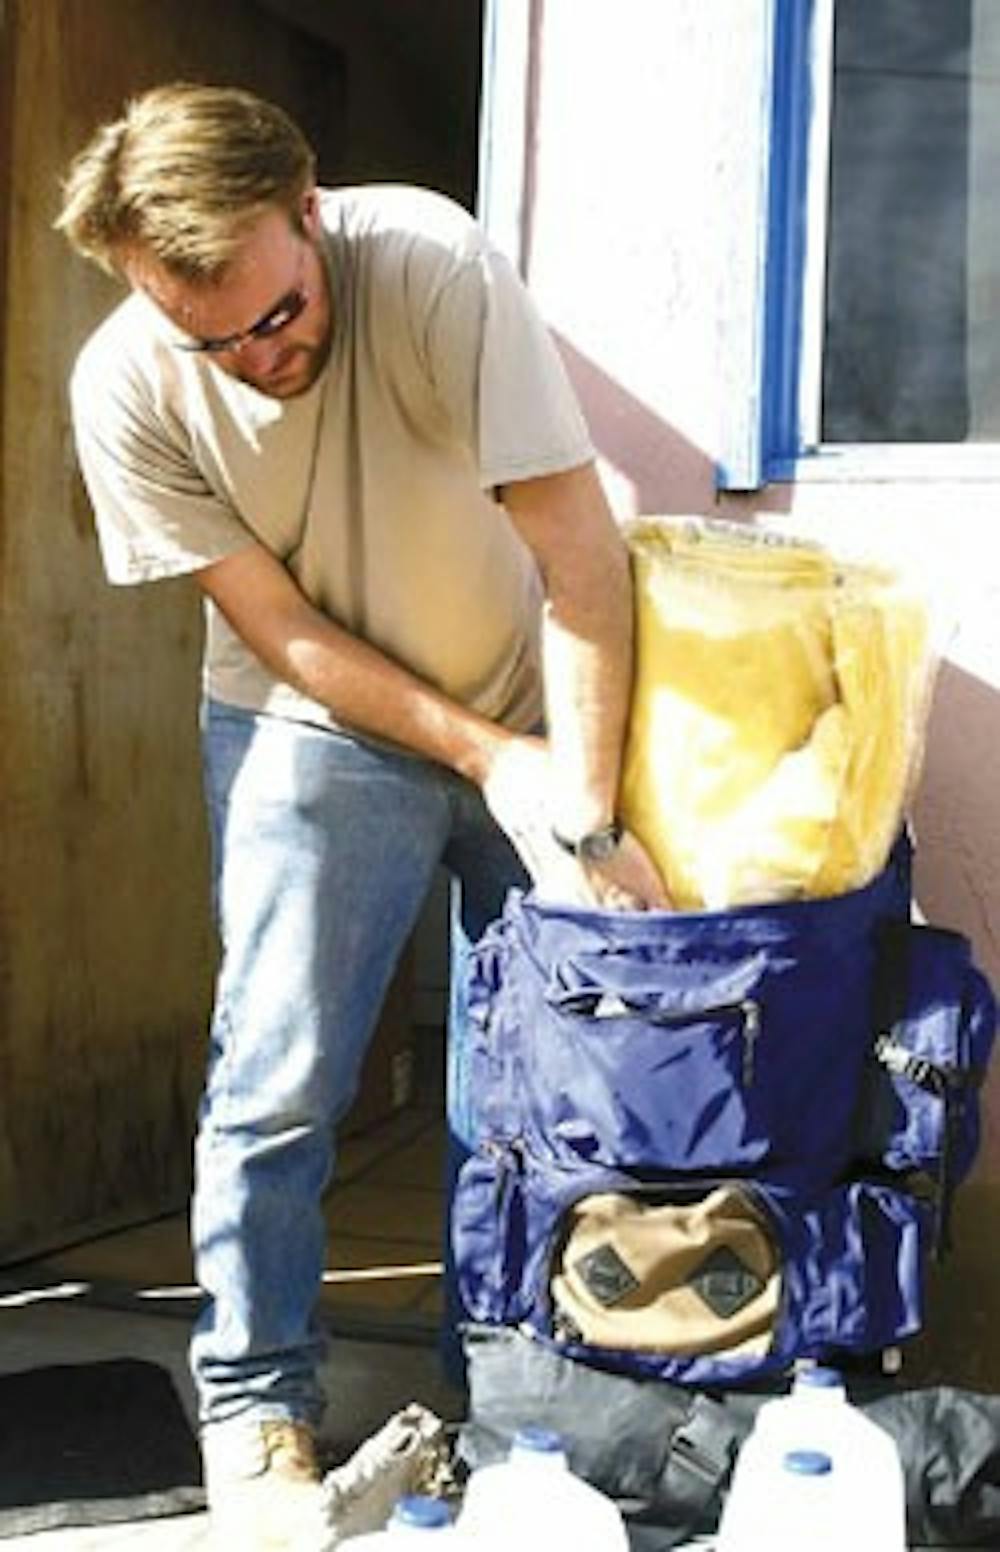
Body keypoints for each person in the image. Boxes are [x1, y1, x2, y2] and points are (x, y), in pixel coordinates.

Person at [56, 82, 668, 1549]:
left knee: (527, 1098)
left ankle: (509, 1400)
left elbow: (582, 557)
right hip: (314, 723)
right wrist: (479, 758)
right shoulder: (126, 384)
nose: (251, 359)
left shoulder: (441, 269)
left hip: (535, 707)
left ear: (310, 210)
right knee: (278, 1075)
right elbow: (279, 628)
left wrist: (574, 808)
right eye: (205, 334)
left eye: (272, 315)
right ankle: (255, 1397)